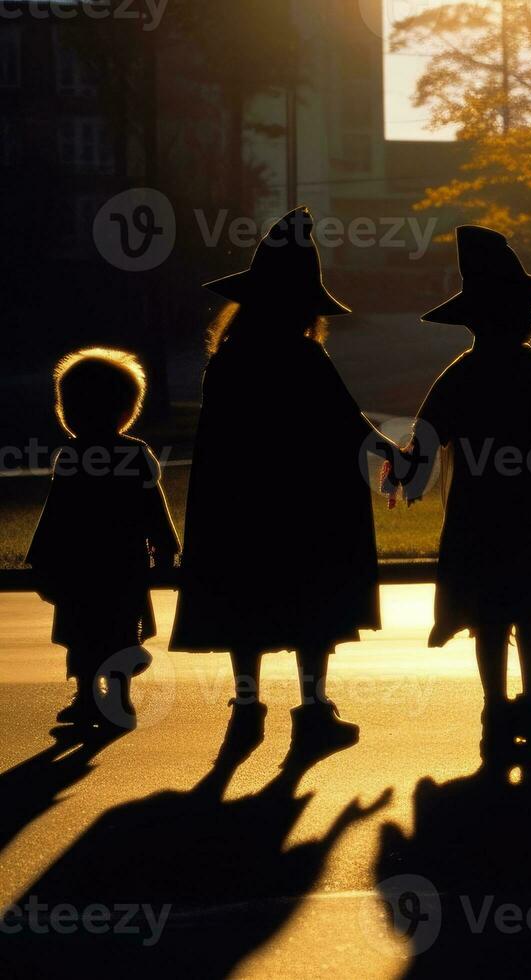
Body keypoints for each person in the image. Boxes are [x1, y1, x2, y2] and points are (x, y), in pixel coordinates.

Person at [170, 207, 402, 762]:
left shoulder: (227, 358)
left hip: (240, 503)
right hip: (307, 503)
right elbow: (349, 424)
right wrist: (396, 456)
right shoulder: (304, 354)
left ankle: (247, 707)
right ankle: (313, 711)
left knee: (246, 601)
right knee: (313, 604)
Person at [395, 226, 531, 771]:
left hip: (479, 516)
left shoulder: (461, 375)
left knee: (488, 618)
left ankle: (495, 710)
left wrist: (405, 473)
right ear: (508, 316)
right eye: (526, 307)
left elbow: (425, 439)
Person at [27, 349, 179, 733]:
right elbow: (152, 506)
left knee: (81, 633)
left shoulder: (71, 456)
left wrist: (42, 560)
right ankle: (118, 696)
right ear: (127, 408)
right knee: (121, 631)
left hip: (78, 565)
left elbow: (56, 513)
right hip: (123, 563)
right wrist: (164, 548)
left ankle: (86, 697)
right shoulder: (135, 453)